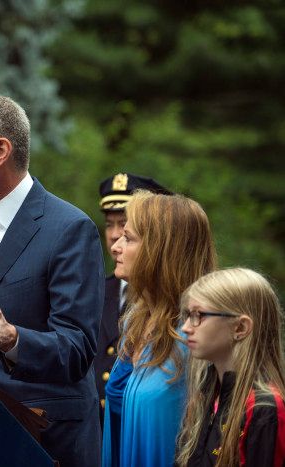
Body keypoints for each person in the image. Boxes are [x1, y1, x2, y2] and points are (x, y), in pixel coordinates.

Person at [0, 92, 105, 465]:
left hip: (43, 442)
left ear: (0, 151)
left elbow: (76, 349)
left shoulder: (69, 229)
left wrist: (14, 340)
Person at [102, 190, 216, 467]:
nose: (115, 245)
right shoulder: (135, 322)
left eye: (128, 238)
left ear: (162, 250)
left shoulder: (197, 335)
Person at [175, 268, 285, 466]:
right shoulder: (203, 396)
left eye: (198, 315)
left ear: (240, 328)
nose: (186, 328)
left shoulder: (264, 408)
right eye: (188, 315)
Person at [95, 173, 171, 423]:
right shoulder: (95, 289)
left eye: (125, 226)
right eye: (109, 224)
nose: (114, 235)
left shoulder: (170, 300)